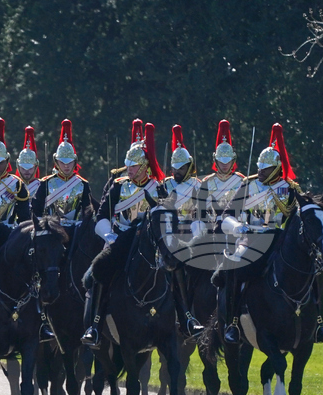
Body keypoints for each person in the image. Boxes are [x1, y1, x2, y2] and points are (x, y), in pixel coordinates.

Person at [217, 123, 323, 344]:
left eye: (265, 169)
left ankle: (319, 323)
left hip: (281, 241)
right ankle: (233, 323)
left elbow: (303, 217)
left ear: (277, 169)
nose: (259, 172)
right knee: (236, 266)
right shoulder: (248, 185)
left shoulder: (291, 189)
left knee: (317, 271)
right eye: (259, 167)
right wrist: (237, 227)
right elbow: (225, 216)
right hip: (252, 239)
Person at [82, 121, 169, 349]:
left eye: (134, 166)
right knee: (99, 272)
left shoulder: (158, 187)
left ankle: (185, 318)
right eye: (128, 166)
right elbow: (101, 216)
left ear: (145, 166)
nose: (129, 170)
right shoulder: (119, 187)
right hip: (120, 240)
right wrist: (109, 236)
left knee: (175, 270)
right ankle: (95, 326)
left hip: (148, 242)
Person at [30, 119, 95, 342]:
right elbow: (35, 211)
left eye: (70, 163)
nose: (66, 166)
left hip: (76, 234)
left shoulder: (82, 184)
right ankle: (39, 319)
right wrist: (48, 226)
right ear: (56, 162)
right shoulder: (46, 183)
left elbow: (89, 209)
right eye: (62, 162)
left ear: (74, 162)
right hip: (51, 235)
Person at [162, 124, 205, 336]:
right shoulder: (165, 185)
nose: (176, 172)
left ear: (189, 166)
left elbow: (204, 215)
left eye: (181, 168)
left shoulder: (199, 186)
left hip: (192, 235)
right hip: (169, 233)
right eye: (174, 168)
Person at [17, 125, 42, 200]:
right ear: (18, 166)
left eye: (30, 168)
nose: (27, 171)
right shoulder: (13, 186)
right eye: (23, 168)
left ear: (36, 166)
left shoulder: (42, 186)